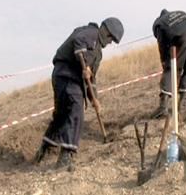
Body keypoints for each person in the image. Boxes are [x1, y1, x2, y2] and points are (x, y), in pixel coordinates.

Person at [33, 17, 124, 170]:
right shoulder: (91, 32)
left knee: (61, 115)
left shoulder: (98, 54)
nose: (109, 43)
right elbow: (78, 41)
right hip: (67, 74)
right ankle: (66, 156)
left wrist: (94, 98)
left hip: (66, 78)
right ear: (105, 30)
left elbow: (91, 78)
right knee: (76, 109)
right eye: (110, 38)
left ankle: (45, 148)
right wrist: (85, 65)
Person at [151, 9, 186, 119]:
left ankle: (163, 107)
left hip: (180, 36)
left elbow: (163, 47)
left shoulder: (159, 23)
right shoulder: (180, 13)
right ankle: (182, 104)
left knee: (171, 68)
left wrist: (165, 65)